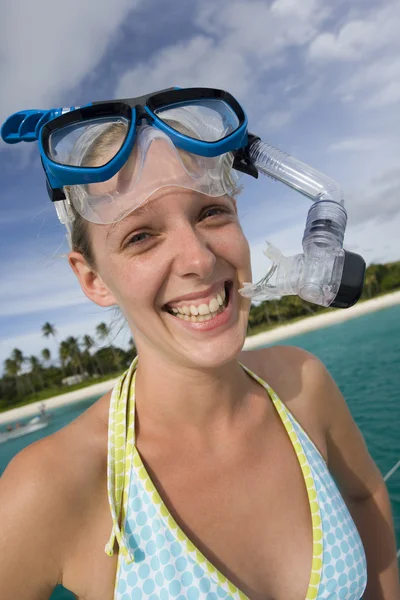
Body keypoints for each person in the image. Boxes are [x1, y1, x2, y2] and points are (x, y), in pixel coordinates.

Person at [0, 88, 398, 600]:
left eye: (211, 213)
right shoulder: (48, 487)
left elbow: (365, 497)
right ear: (93, 280)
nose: (199, 259)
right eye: (140, 236)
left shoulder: (303, 385)